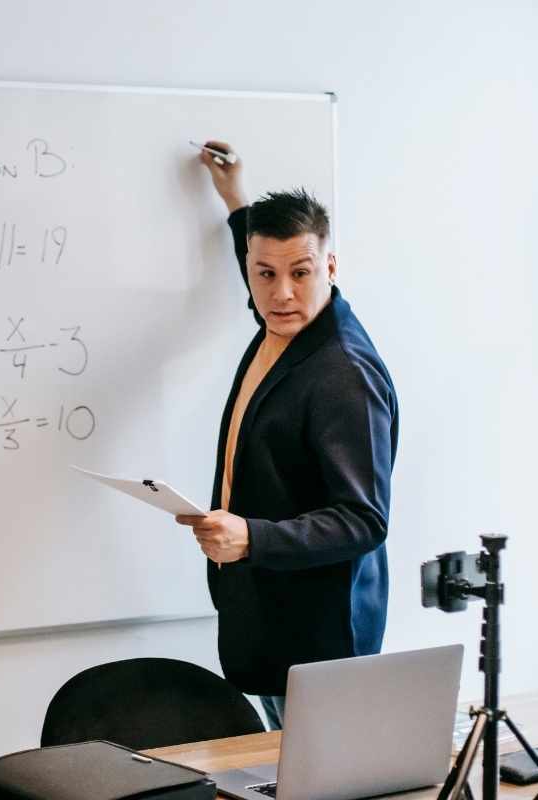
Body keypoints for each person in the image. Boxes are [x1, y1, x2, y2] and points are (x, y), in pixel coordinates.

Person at [175, 141, 399, 730]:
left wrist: (251, 537)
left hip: (320, 636)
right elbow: (263, 259)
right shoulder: (284, 321)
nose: (280, 294)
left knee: (315, 781)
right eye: (264, 274)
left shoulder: (344, 375)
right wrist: (235, 203)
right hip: (269, 613)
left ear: (330, 267)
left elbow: (364, 519)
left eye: (300, 273)